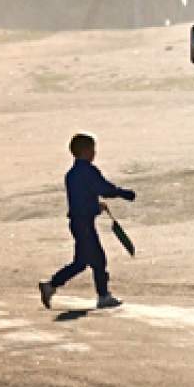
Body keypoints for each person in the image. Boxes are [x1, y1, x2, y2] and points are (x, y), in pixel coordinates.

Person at [39, 133, 136, 310]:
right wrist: (123, 193)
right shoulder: (87, 170)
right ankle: (103, 296)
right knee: (97, 259)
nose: (94, 152)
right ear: (84, 151)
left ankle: (51, 286)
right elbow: (103, 188)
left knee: (82, 262)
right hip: (83, 224)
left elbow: (81, 197)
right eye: (92, 149)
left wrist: (95, 205)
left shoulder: (72, 174)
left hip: (79, 222)